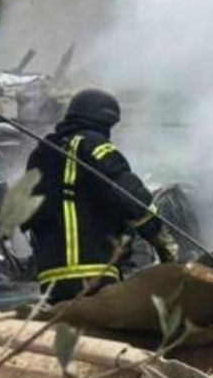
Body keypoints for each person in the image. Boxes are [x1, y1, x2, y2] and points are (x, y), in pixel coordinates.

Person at [25, 88, 180, 300]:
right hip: (91, 270)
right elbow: (129, 195)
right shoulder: (92, 145)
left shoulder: (42, 152)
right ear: (102, 120)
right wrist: (161, 239)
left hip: (50, 276)